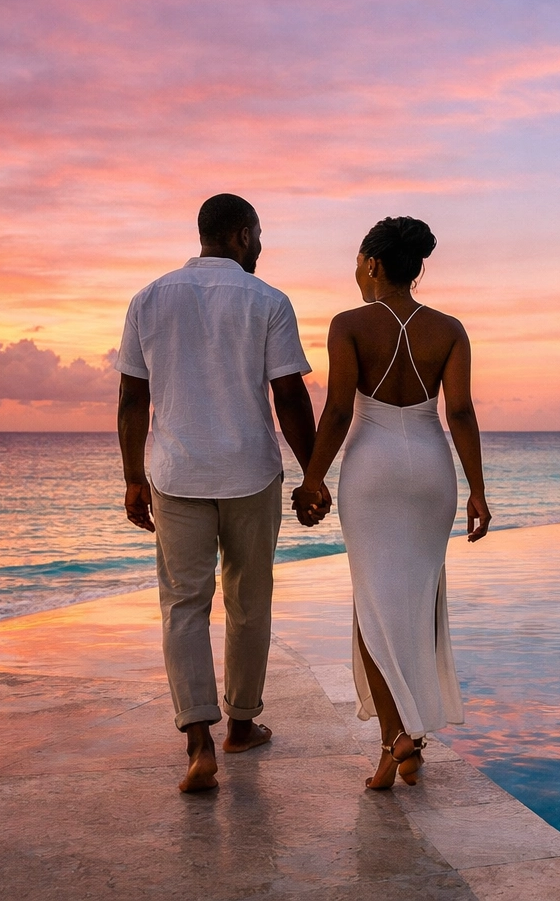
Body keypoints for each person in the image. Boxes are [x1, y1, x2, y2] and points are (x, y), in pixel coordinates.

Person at [116, 193, 326, 793]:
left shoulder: (149, 298)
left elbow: (134, 397)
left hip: (176, 474)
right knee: (248, 601)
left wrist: (134, 476)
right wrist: (312, 475)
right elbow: (289, 395)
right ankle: (240, 723)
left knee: (184, 606)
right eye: (257, 236)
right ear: (240, 235)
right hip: (250, 473)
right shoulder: (267, 301)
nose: (260, 246)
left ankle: (198, 743)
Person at [291, 216, 490, 791]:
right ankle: (412, 733)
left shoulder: (349, 324)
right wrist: (478, 489)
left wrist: (311, 480)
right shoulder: (449, 330)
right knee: (417, 601)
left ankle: (394, 738)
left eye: (358, 261)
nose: (355, 272)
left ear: (374, 264)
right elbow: (460, 414)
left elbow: (335, 410)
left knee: (373, 606)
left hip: (373, 468)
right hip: (432, 470)